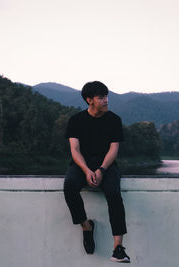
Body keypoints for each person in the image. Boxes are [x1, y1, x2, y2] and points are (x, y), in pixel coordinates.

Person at [63, 81, 130, 263]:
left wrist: (101, 169)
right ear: (89, 100)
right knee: (69, 186)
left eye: (107, 96)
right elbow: (75, 150)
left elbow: (113, 150)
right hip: (81, 164)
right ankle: (86, 227)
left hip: (107, 165)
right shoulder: (76, 120)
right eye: (101, 97)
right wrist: (86, 170)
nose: (106, 100)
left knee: (114, 193)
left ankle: (118, 248)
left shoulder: (114, 120)